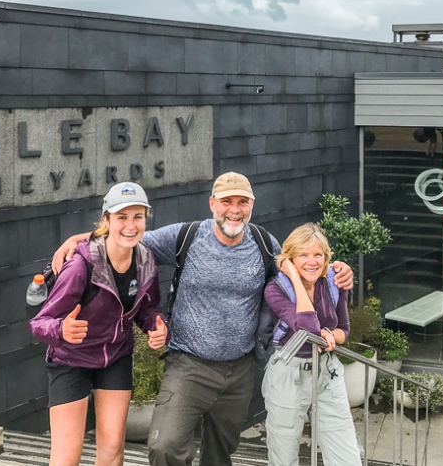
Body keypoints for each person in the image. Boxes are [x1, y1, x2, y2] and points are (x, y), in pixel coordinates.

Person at [52, 172, 354, 466]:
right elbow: (129, 238)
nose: (234, 210)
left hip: (240, 370)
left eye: (242, 202)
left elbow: (302, 267)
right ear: (212, 203)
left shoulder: (264, 243)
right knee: (164, 447)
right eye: (226, 201)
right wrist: (79, 240)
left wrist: (338, 271)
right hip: (188, 365)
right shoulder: (187, 236)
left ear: (251, 205)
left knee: (220, 455)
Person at [30, 182, 168, 466]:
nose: (130, 226)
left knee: (113, 448)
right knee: (67, 457)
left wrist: (156, 324)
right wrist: (61, 330)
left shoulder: (145, 260)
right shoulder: (80, 267)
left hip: (115, 355)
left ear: (145, 220)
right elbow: (39, 322)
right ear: (106, 221)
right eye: (121, 217)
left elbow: (148, 307)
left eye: (137, 217)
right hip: (72, 359)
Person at [262, 223, 361, 466]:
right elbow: (306, 328)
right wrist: (295, 278)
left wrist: (330, 335)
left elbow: (343, 330)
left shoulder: (332, 282)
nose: (312, 261)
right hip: (288, 372)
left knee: (345, 453)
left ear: (326, 257)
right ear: (290, 259)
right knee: (283, 453)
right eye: (303, 255)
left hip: (327, 371)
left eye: (318, 254)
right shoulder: (275, 289)